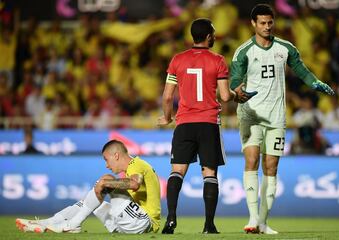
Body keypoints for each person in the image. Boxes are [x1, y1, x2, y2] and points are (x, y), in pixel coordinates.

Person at [230, 4, 335, 235]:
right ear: (253, 24)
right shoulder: (244, 51)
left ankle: (264, 222)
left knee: (272, 167)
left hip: (276, 117)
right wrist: (239, 92)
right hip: (251, 115)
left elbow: (302, 69)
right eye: (262, 23)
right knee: (251, 161)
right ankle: (252, 217)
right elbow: (234, 81)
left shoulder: (285, 48)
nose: (267, 27)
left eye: (270, 22)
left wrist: (315, 83)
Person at [158, 18, 240, 234]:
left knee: (177, 172)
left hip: (184, 123)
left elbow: (167, 97)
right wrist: (236, 94)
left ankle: (171, 220)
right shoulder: (218, 60)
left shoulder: (178, 60)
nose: (215, 36)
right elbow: (224, 96)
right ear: (208, 36)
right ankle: (209, 225)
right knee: (209, 174)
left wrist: (167, 118)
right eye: (213, 33)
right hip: (208, 123)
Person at [15, 140, 161, 234]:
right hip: (131, 221)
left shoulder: (136, 164)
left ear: (116, 155)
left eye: (106, 159)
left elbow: (134, 183)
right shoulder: (131, 167)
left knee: (106, 179)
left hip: (144, 222)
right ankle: (50, 221)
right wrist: (103, 185)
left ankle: (72, 224)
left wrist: (106, 184)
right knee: (92, 199)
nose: (106, 165)